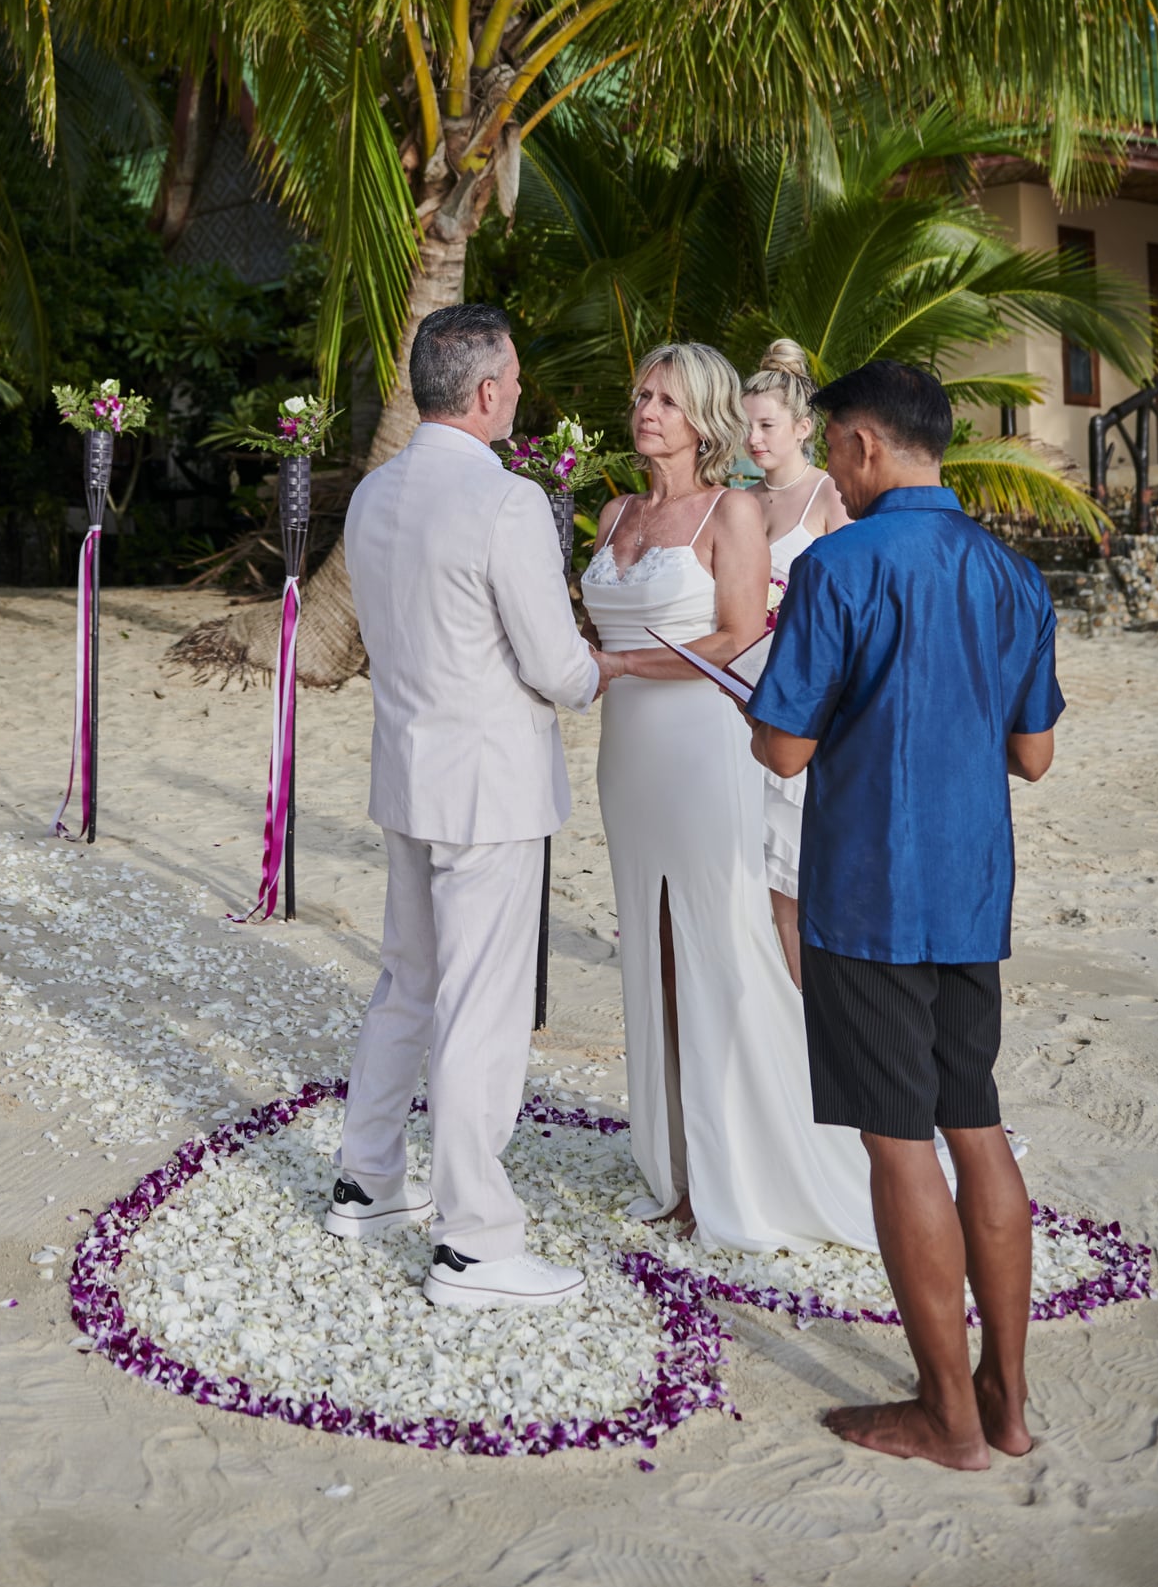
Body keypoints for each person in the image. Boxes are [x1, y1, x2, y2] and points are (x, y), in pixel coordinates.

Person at [748, 359, 1062, 1470]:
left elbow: (782, 746)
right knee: (974, 1122)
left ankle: (948, 1416)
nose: (832, 462)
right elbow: (1034, 753)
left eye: (835, 445)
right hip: (971, 889)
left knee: (899, 1144)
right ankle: (1008, 1404)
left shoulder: (839, 566)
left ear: (867, 445)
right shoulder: (1014, 575)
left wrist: (798, 706)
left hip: (871, 891)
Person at [334, 303, 615, 1310]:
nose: (522, 395)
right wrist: (599, 675)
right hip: (488, 785)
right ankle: (475, 1242)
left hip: (408, 769)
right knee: (479, 1009)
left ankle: (366, 1177)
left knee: (408, 980)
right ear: (489, 391)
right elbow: (551, 662)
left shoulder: (372, 495)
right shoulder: (506, 500)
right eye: (519, 379)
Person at [582, 343, 877, 1252]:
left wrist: (623, 664)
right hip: (626, 759)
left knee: (718, 944)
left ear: (703, 416)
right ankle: (672, 1164)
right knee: (653, 955)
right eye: (640, 395)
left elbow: (743, 632)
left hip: (703, 751)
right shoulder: (614, 510)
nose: (648, 411)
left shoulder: (733, 510)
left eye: (667, 399)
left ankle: (738, 1168)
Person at [738, 340, 849, 987]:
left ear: (803, 428)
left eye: (765, 425)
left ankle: (812, 1013)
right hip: (738, 703)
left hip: (805, 704)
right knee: (751, 874)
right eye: (745, 424)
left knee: (796, 870)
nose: (751, 438)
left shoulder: (831, 498)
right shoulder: (739, 502)